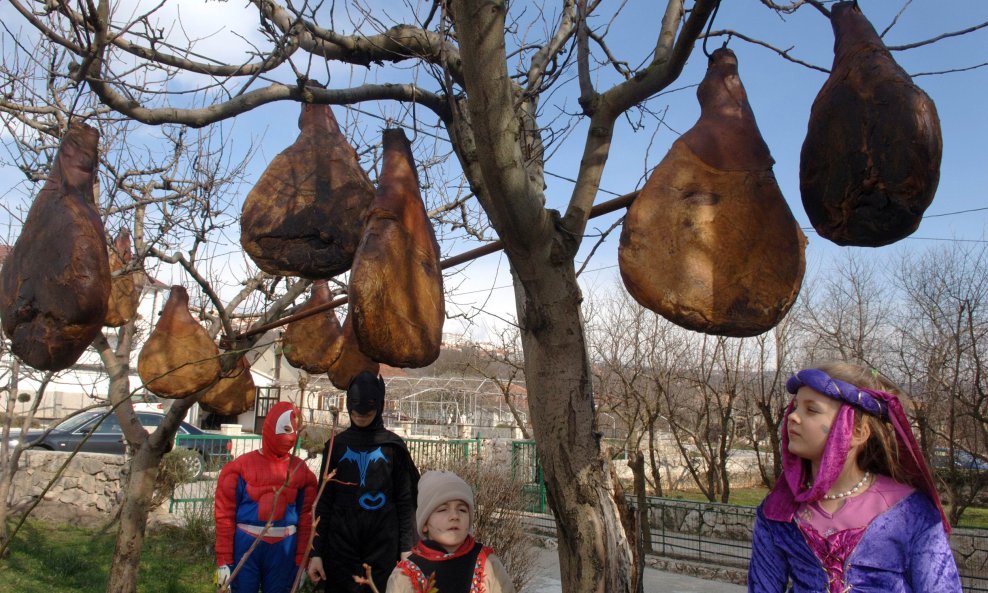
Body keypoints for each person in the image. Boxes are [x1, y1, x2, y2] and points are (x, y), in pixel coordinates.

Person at [748, 362, 962, 593]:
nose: (792, 417)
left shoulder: (911, 511)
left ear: (857, 432)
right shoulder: (777, 512)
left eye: (811, 410)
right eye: (795, 407)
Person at [307, 371, 419, 592]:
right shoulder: (336, 446)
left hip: (383, 549)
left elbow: (406, 501)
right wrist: (316, 553)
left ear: (379, 405)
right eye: (356, 407)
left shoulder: (393, 447)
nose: (361, 414)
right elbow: (324, 502)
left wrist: (407, 548)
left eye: (368, 408)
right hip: (340, 550)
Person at [214, 401, 318, 593]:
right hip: (246, 546)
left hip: (284, 549)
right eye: (286, 428)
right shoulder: (238, 469)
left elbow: (307, 519)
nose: (291, 437)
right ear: (270, 427)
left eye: (294, 430)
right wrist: (224, 561)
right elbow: (224, 517)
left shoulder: (302, 472)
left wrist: (301, 561)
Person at [385, 470, 515, 593]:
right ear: (424, 523)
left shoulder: (489, 565)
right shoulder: (405, 575)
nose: (454, 516)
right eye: (443, 509)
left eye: (462, 510)